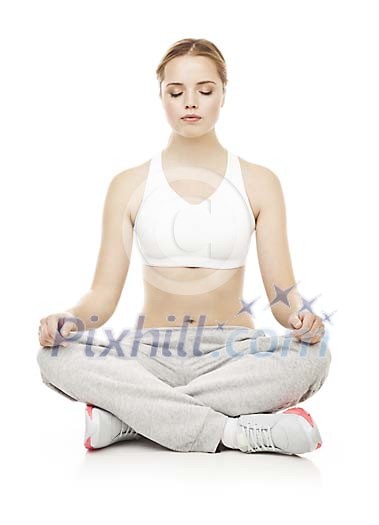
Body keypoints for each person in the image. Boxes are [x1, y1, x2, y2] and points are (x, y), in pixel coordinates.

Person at [36, 38, 332, 455]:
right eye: (176, 92)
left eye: (205, 91)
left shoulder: (260, 182)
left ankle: (131, 418)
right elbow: (102, 296)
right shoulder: (129, 185)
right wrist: (68, 319)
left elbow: (283, 299)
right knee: (53, 358)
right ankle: (235, 432)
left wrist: (302, 318)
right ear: (161, 96)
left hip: (233, 353)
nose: (190, 102)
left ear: (223, 94)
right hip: (149, 355)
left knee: (313, 357)